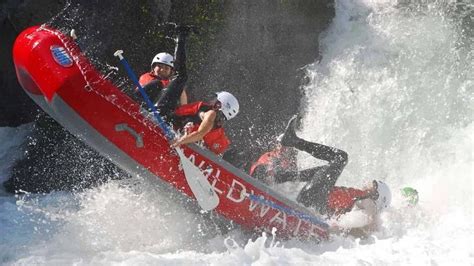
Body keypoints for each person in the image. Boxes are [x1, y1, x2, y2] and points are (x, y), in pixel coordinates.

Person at [249, 115, 392, 222]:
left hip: (315, 202)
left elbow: (364, 222)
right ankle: (278, 177)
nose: (367, 183)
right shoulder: (360, 198)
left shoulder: (368, 203)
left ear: (376, 194)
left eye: (373, 184)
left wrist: (331, 228)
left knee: (341, 158)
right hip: (313, 200)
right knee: (325, 170)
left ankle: (293, 142)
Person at [151, 28, 240, 155]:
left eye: (215, 99)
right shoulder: (216, 126)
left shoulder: (211, 114)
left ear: (220, 105)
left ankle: (180, 35)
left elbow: (200, 133)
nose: (210, 100)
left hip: (161, 115)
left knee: (181, 77)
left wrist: (179, 142)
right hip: (168, 121)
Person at [138, 27, 188, 106]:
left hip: (158, 111)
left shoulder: (174, 85)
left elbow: (184, 106)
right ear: (153, 67)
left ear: (171, 72)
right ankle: (181, 38)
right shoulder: (146, 77)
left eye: (166, 68)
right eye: (159, 66)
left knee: (180, 81)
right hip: (140, 104)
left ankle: (181, 38)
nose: (162, 70)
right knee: (157, 84)